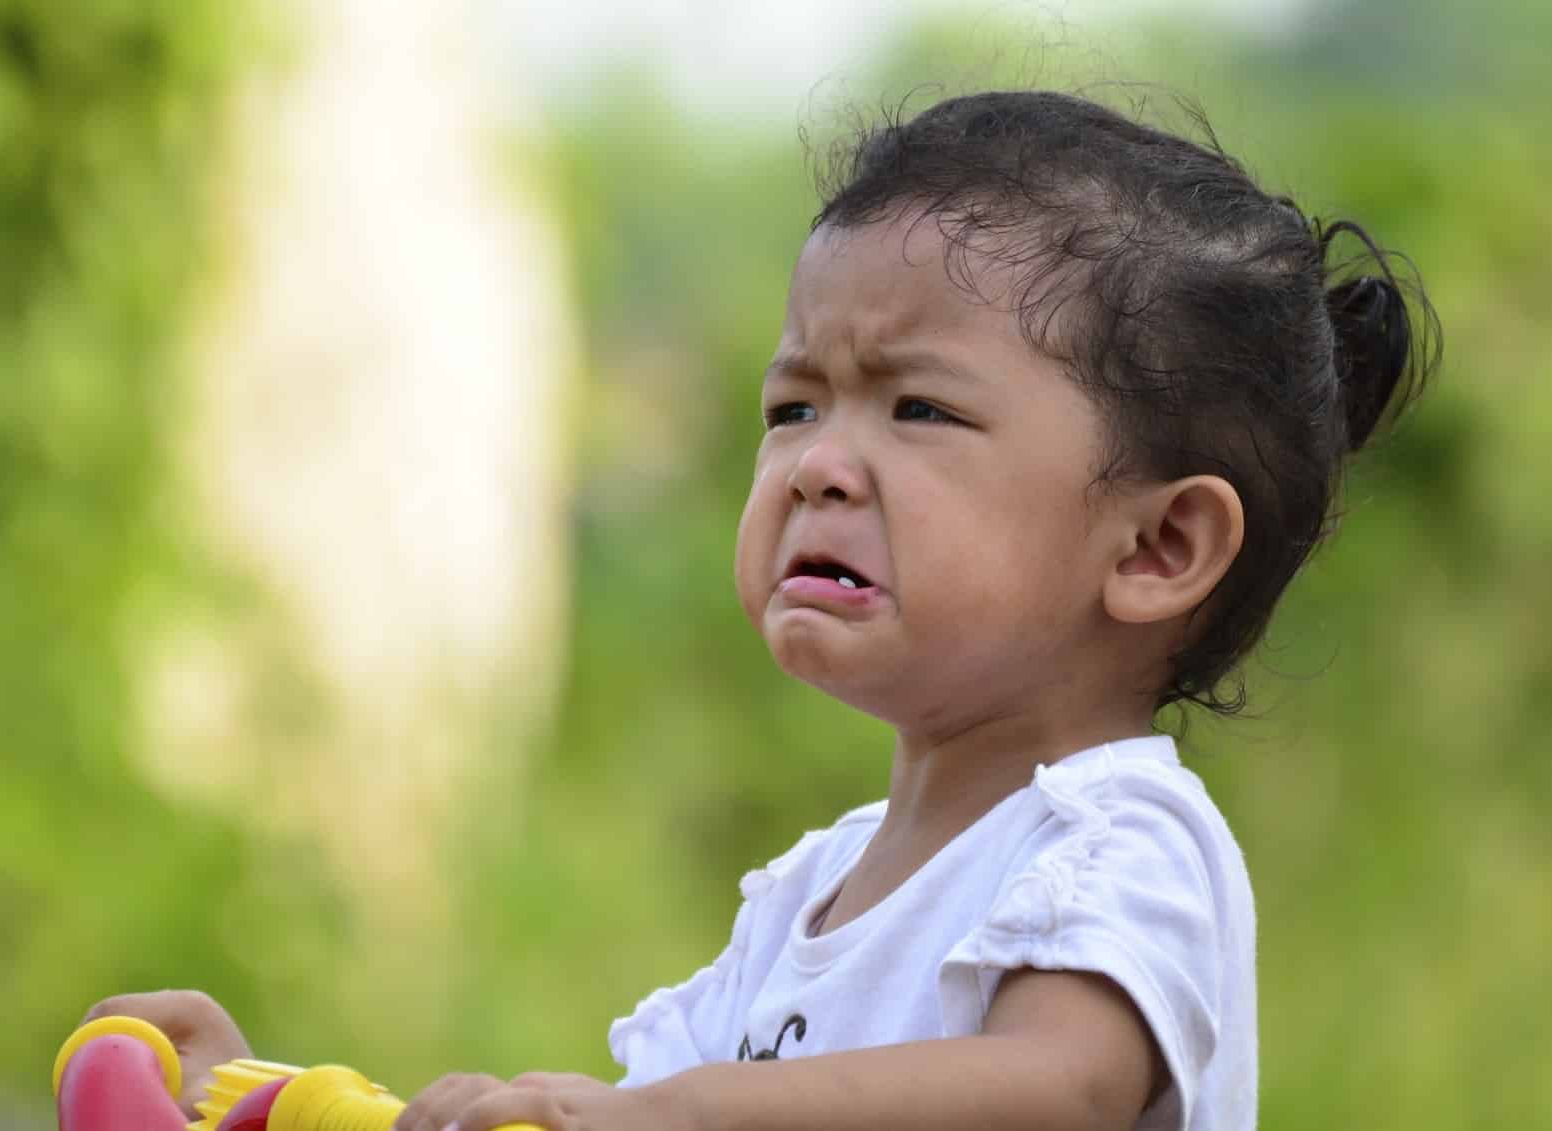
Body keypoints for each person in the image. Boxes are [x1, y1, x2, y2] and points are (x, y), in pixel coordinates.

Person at [84, 88, 1438, 1131]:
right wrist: (272, 1090)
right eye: (792, 407)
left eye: (918, 409)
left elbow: (1059, 1087)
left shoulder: (1120, 840)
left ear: (1155, 546)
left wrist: (682, 1113)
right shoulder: (801, 899)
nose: (818, 464)